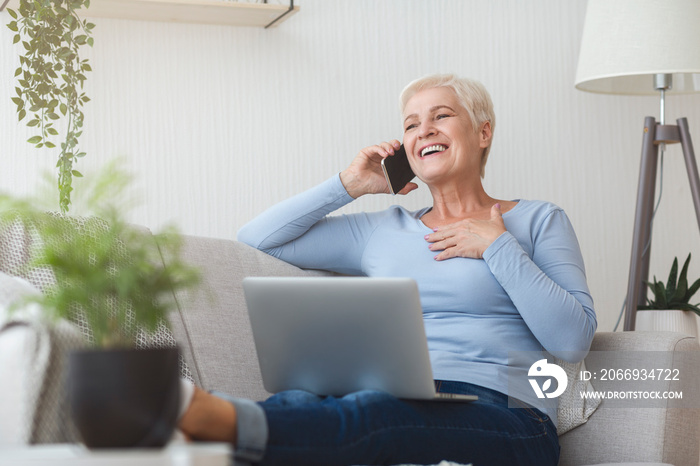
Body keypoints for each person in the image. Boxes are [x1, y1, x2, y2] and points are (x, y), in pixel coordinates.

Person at [178, 74, 597, 466]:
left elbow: (571, 340)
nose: (425, 130)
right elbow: (258, 238)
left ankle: (216, 423)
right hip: (396, 395)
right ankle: (204, 431)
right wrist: (349, 185)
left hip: (508, 415)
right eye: (412, 124)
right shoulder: (384, 230)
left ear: (483, 132)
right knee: (303, 400)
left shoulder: (539, 220)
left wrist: (498, 246)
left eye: (442, 116)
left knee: (372, 412)